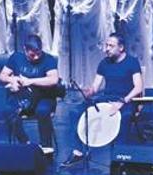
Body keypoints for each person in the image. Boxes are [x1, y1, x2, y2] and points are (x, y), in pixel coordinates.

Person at [61, 33, 143, 168]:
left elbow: (138, 87)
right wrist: (89, 91)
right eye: (106, 45)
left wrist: (122, 102)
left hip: (126, 99)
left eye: (111, 46)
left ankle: (120, 155)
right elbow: (95, 86)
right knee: (76, 112)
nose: (107, 49)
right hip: (107, 98)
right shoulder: (104, 63)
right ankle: (79, 152)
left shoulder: (132, 62)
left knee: (126, 116)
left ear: (121, 47)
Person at [51, 0, 104, 87]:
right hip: (70, 19)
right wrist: (66, 6)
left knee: (86, 50)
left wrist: (80, 10)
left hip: (86, 20)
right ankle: (68, 80)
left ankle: (88, 82)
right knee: (70, 50)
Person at [0, 34, 59, 153]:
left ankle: (46, 147)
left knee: (42, 111)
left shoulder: (49, 59)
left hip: (44, 97)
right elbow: (2, 75)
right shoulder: (16, 57)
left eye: (38, 53)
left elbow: (53, 79)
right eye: (32, 54)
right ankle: (25, 143)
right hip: (23, 98)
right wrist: (13, 79)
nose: (36, 57)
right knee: (9, 111)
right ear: (25, 49)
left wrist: (30, 81)